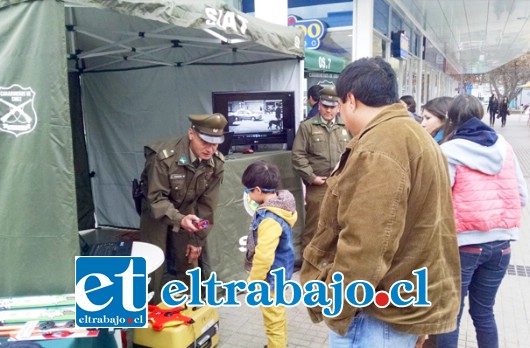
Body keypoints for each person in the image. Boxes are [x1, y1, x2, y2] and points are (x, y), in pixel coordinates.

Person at [299, 57, 461, 347]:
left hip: (376, 312)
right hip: (398, 301)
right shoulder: (411, 134)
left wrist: (336, 303)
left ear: (350, 99)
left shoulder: (380, 147)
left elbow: (366, 245)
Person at [435, 94, 528, 348]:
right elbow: (522, 195)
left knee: (449, 316)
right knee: (484, 312)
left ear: (450, 118)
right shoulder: (505, 147)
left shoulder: (447, 151)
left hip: (463, 247)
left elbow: (439, 202)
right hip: (502, 247)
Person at [139, 113, 227, 303]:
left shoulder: (216, 163)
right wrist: (179, 219)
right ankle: (149, 309)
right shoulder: (163, 159)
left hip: (188, 211)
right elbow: (156, 199)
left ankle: (190, 306)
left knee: (190, 260)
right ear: (191, 134)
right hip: (156, 213)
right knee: (152, 263)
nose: (210, 149)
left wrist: (197, 239)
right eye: (205, 141)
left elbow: (207, 207)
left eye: (215, 143)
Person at [291, 86, 351, 261]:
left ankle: (334, 262)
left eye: (333, 106)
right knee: (315, 225)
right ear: (319, 105)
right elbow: (298, 155)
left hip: (341, 184)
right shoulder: (307, 127)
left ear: (339, 107)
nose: (329, 110)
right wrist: (311, 177)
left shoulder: (346, 127)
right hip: (319, 185)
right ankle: (308, 261)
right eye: (325, 106)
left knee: (340, 224)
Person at [242, 160, 297, 348]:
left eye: (248, 191)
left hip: (270, 278)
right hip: (280, 272)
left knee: (273, 318)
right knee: (277, 313)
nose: (248, 194)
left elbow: (264, 255)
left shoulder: (270, 219)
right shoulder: (283, 206)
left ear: (257, 190)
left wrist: (254, 281)